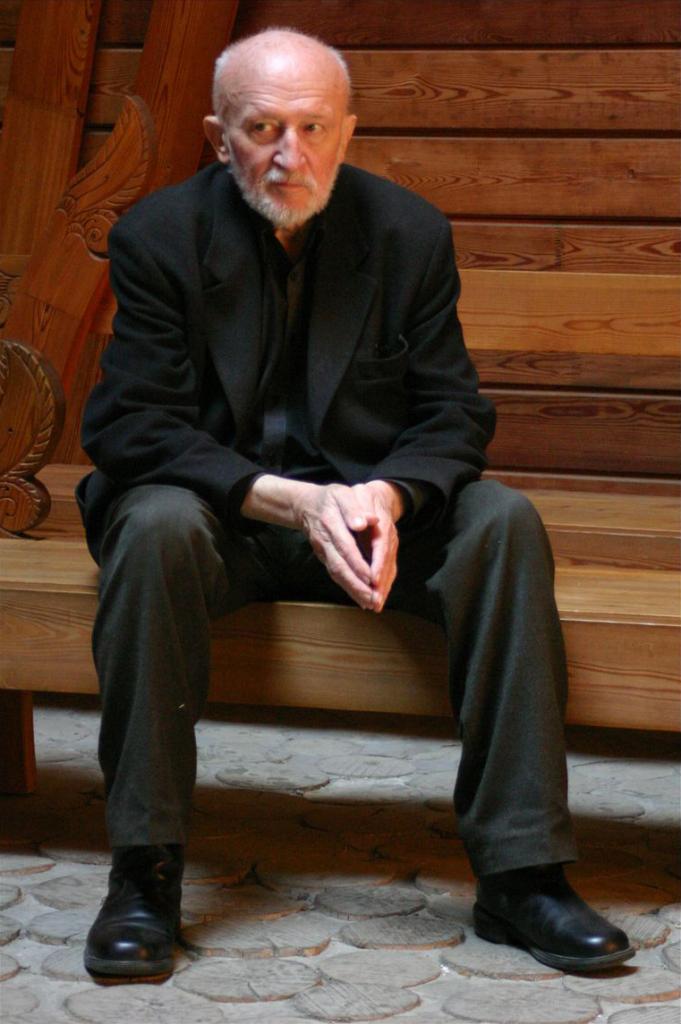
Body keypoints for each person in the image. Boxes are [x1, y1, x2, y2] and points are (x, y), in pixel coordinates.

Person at [77, 28, 633, 979]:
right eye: (262, 128)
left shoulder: (408, 233)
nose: (288, 154)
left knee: (501, 522)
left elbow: (452, 412)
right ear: (218, 137)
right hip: (225, 519)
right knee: (153, 521)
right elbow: (132, 425)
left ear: (347, 131)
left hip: (370, 527)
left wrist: (388, 493)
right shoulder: (158, 236)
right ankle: (145, 875)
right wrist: (288, 501)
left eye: (312, 127)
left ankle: (521, 875)